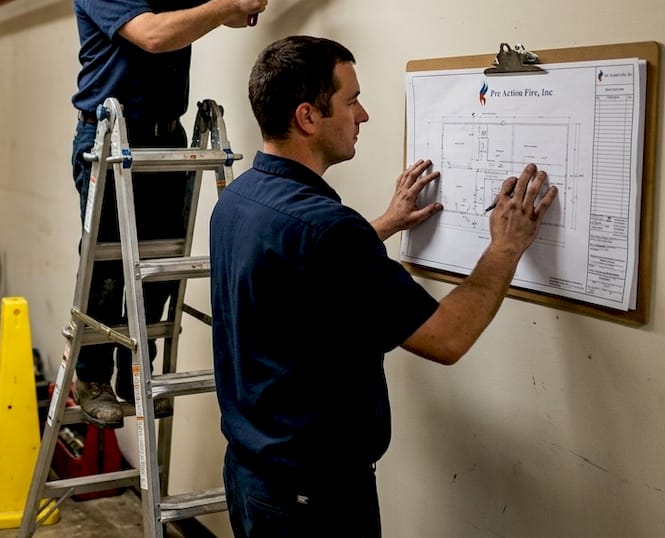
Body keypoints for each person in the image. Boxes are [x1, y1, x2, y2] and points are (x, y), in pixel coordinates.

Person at [210, 35, 559, 536]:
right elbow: (447, 337)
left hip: (251, 478)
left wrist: (383, 224)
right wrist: (505, 246)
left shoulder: (240, 199)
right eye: (351, 101)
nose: (364, 114)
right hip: (313, 503)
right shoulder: (329, 232)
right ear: (307, 117)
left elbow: (295, 270)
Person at [70, 0, 285, 426]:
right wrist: (232, 4)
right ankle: (91, 378)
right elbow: (153, 35)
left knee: (161, 266)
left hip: (165, 142)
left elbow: (242, 12)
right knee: (112, 266)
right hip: (110, 142)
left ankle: (133, 374)